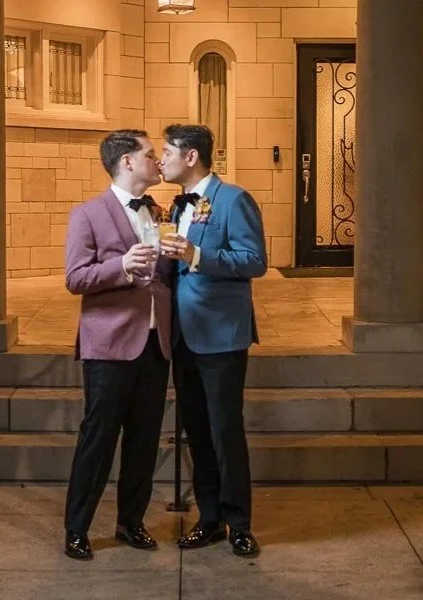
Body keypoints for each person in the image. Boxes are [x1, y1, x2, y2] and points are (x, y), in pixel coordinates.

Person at [61, 129, 174, 561]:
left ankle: (131, 523)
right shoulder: (87, 214)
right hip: (108, 346)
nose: (157, 161)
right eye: (150, 154)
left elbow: (163, 277)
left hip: (154, 344)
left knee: (144, 439)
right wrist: (121, 266)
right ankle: (77, 528)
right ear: (127, 161)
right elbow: (76, 278)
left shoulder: (158, 210)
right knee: (99, 438)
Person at [158, 123, 267, 558]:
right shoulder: (175, 205)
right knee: (197, 432)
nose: (161, 159)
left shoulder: (234, 199)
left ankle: (239, 523)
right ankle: (209, 519)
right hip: (183, 335)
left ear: (190, 157)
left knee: (225, 431)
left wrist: (196, 255)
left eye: (167, 151)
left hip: (221, 336)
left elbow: (254, 261)